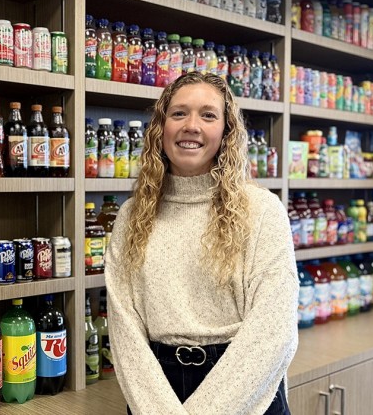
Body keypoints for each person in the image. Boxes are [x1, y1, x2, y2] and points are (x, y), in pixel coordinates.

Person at [105, 72, 299, 414]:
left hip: (245, 391)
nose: (191, 125)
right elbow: (125, 331)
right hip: (156, 391)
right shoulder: (131, 215)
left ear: (226, 132)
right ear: (160, 129)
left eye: (208, 115)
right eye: (179, 113)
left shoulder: (262, 211)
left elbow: (273, 331)